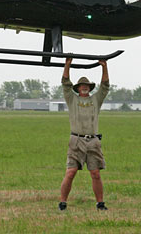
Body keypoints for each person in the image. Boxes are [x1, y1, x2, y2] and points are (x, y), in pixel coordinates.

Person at [59, 57, 109, 211]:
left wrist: (104, 66)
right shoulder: (72, 99)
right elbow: (65, 84)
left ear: (89, 87)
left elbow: (105, 86)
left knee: (95, 173)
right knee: (71, 171)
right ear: (78, 88)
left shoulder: (96, 99)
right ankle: (62, 203)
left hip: (93, 141)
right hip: (76, 140)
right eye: (82, 85)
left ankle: (100, 203)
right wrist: (68, 64)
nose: (84, 87)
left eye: (87, 85)